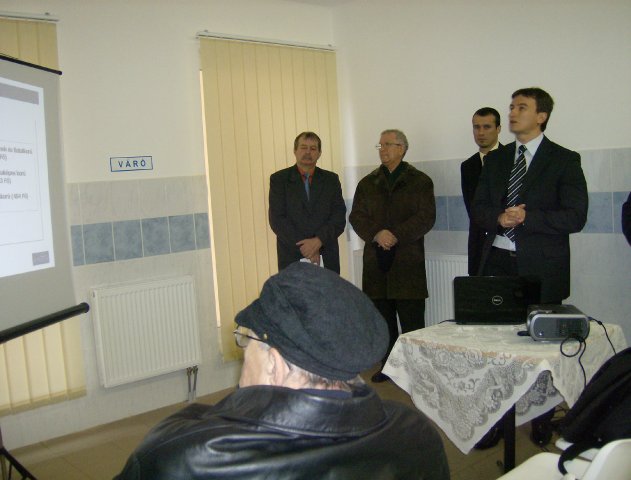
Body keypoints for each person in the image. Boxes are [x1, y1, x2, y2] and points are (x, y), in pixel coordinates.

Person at [114, 263, 450, 480]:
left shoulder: (181, 457)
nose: (243, 355)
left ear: (273, 363)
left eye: (246, 341)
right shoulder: (416, 433)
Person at [472, 87, 588, 446]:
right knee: (497, 348)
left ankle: (540, 416)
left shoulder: (564, 159)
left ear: (541, 116)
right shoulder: (496, 160)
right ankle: (497, 420)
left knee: (541, 350)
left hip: (542, 268)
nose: (512, 112)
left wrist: (527, 217)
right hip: (498, 263)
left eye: (521, 107)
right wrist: (498, 217)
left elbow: (576, 216)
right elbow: (478, 209)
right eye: (511, 106)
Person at [349, 129, 436, 383]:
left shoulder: (420, 181)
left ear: (402, 148)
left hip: (407, 260)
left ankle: (416, 369)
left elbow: (426, 217)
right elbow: (356, 216)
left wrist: (395, 235)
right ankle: (388, 365)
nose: (383, 149)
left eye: (388, 144)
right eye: (380, 145)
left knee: (412, 320)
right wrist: (377, 234)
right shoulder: (367, 183)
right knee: (382, 319)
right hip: (376, 261)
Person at [268, 131, 346, 273]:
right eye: (303, 147)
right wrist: (307, 248)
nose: (308, 152)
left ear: (319, 153)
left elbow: (338, 217)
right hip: (291, 257)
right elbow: (277, 220)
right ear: (295, 150)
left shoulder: (331, 180)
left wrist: (318, 241)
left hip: (326, 255)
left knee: (328, 289)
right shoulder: (279, 180)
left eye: (313, 148)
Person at [460, 107, 502, 275]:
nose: (481, 132)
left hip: (505, 242)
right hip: (478, 242)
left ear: (498, 129)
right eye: (476, 127)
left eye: (487, 127)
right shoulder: (467, 166)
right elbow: (472, 208)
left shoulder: (512, 158)